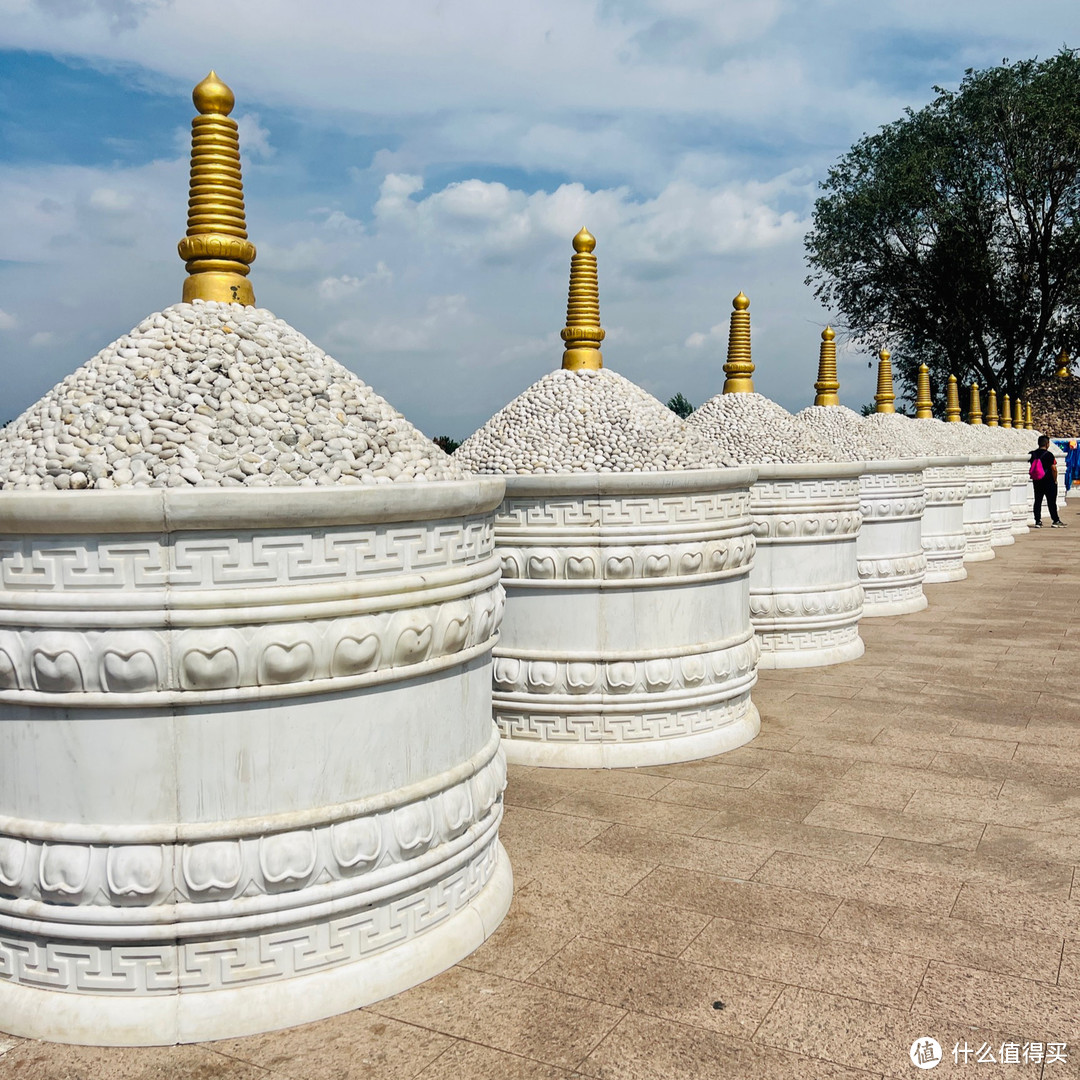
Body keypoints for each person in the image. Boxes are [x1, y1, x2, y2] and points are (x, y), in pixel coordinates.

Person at [1030, 435, 1065, 527]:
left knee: (1037, 501)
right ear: (1047, 444)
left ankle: (1038, 521)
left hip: (1037, 480)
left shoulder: (1032, 454)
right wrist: (1055, 480)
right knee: (1051, 502)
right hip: (1049, 481)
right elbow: (1054, 468)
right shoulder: (1049, 455)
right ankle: (1055, 520)